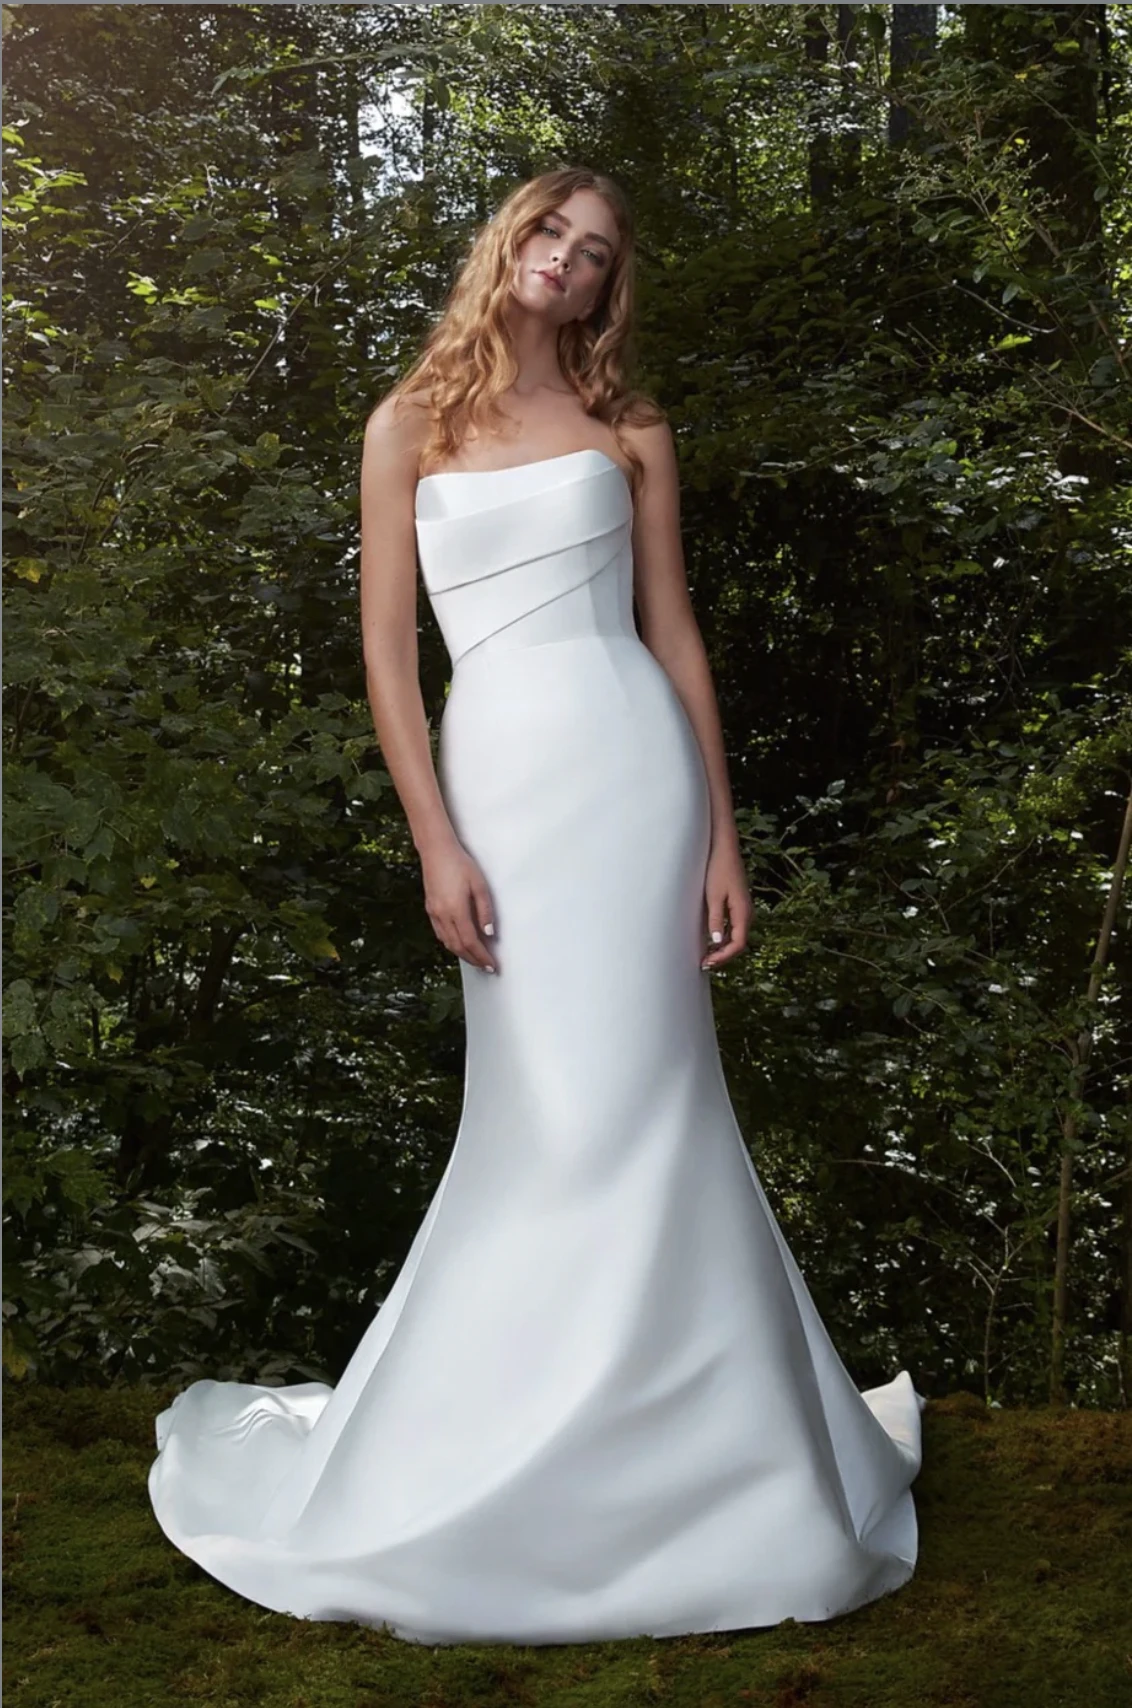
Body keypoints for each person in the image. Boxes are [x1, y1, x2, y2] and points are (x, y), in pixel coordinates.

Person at [147, 166, 925, 1646]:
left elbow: (675, 634)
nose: (567, 261)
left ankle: (702, 1462)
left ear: (612, 282)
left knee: (654, 1101)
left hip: (633, 772)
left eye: (597, 251)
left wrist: (722, 841)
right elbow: (389, 657)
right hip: (497, 778)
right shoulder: (408, 426)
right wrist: (434, 839)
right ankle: (510, 1450)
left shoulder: (630, 429)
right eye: (551, 232)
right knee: (546, 1113)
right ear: (507, 241)